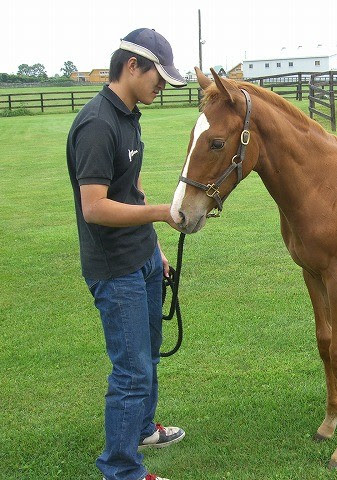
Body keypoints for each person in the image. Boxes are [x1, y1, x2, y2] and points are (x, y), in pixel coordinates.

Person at [66, 28, 188, 480]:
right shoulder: (97, 123)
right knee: (132, 371)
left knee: (148, 355)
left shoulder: (129, 115)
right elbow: (94, 207)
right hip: (113, 268)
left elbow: (130, 189)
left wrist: (154, 247)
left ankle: (140, 430)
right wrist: (162, 213)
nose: (163, 86)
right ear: (132, 66)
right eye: (160, 76)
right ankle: (121, 471)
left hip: (141, 259)